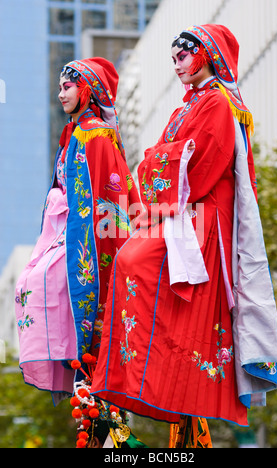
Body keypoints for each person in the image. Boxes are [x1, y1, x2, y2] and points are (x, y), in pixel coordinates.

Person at [90, 25, 277, 429]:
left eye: (183, 56)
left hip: (202, 213)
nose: (177, 64)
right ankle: (145, 376)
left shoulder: (218, 103)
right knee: (128, 259)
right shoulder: (186, 107)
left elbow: (198, 163)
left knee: (135, 260)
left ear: (207, 54)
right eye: (173, 58)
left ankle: (162, 377)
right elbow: (158, 157)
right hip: (179, 210)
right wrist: (163, 159)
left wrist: (162, 160)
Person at [15, 57, 141, 403]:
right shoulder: (74, 135)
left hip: (87, 238)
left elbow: (109, 199)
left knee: (42, 283)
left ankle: (76, 347)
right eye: (59, 88)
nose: (60, 94)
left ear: (87, 89)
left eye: (66, 86)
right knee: (28, 283)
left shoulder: (96, 136)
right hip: (65, 231)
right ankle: (68, 348)